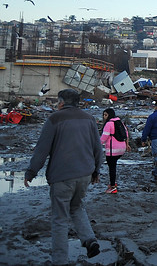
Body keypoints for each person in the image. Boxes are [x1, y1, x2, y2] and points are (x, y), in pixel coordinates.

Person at [24, 89, 102, 264]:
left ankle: (60, 260)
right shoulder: (89, 119)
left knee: (59, 218)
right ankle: (90, 240)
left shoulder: (54, 119)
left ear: (61, 103)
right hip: (84, 174)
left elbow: (41, 151)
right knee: (77, 207)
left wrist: (31, 173)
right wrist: (96, 171)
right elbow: (98, 149)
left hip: (62, 176)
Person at [100, 108, 130, 194]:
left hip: (112, 150)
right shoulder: (120, 122)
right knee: (114, 166)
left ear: (109, 115)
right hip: (122, 148)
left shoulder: (109, 124)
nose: (104, 117)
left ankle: (113, 186)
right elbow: (126, 134)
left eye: (105, 115)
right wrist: (127, 145)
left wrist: (97, 145)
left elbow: (104, 137)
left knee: (112, 168)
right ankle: (113, 183)